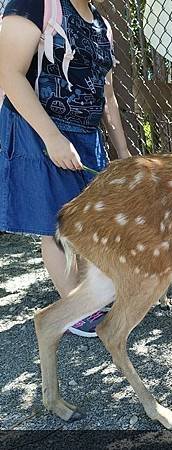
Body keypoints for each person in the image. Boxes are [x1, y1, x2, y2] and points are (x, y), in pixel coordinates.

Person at [0, 0, 131, 337]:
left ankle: (89, 295)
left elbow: (108, 95)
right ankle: (74, 306)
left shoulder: (102, 25)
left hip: (85, 133)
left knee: (88, 219)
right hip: (39, 128)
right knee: (55, 222)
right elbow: (9, 72)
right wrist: (52, 137)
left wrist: (124, 152)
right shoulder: (34, 5)